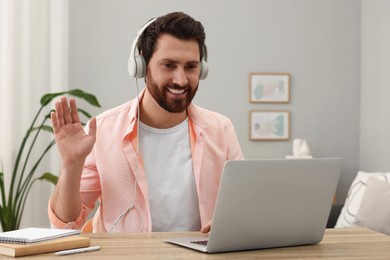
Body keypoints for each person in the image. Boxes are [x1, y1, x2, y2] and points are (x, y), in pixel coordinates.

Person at [48, 11, 243, 233]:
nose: (180, 80)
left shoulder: (221, 130)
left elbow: (244, 207)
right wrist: (71, 165)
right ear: (141, 66)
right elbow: (64, 225)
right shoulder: (103, 131)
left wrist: (232, 224)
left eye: (191, 67)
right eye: (168, 65)